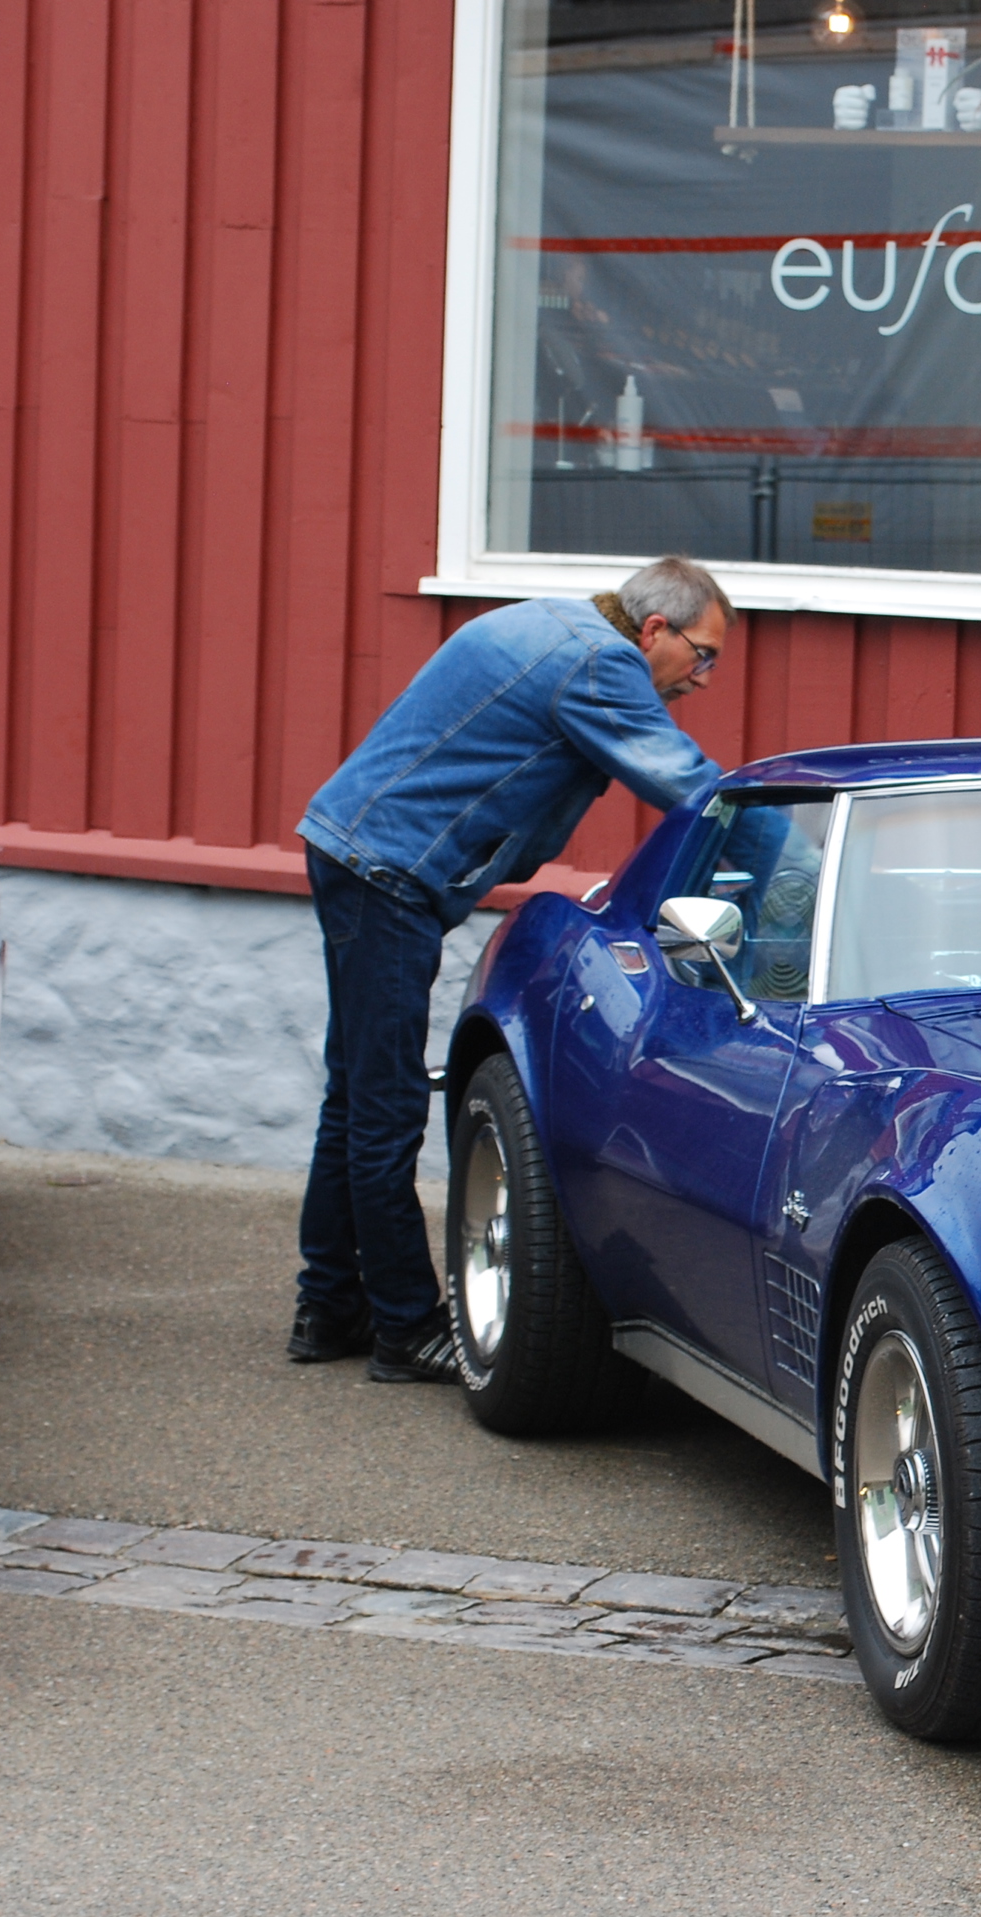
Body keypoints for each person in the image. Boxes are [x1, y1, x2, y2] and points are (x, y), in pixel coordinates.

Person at [288, 557, 735, 1382]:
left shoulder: (552, 621)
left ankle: (327, 1307)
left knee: (354, 1094)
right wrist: (785, 842)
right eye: (701, 654)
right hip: (388, 872)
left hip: (352, 849)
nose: (703, 677)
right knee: (384, 1108)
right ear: (654, 630)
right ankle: (401, 1327)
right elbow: (692, 788)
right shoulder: (600, 663)